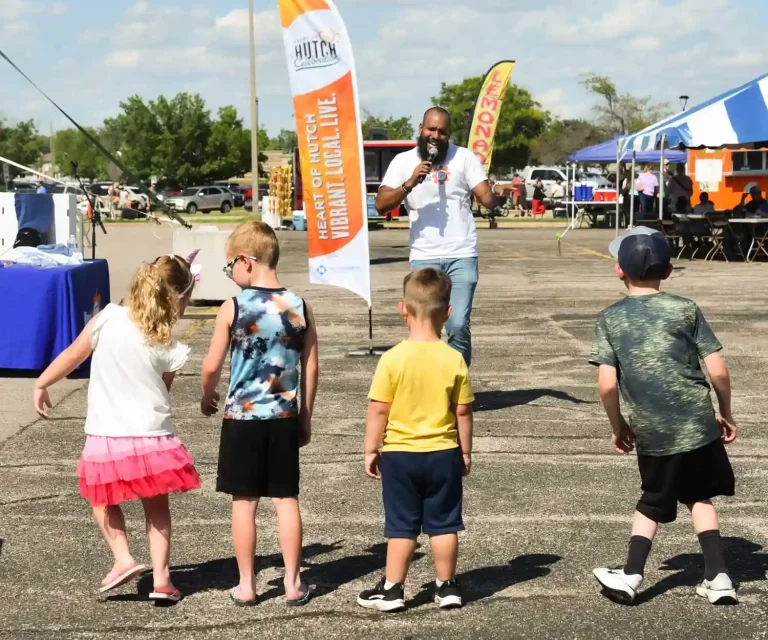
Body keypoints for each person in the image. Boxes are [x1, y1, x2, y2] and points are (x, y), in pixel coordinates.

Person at [32, 255, 200, 602]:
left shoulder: (107, 317)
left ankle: (123, 558)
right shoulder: (168, 343)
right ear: (178, 300)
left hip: (107, 434)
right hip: (153, 437)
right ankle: (163, 581)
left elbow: (72, 356)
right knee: (156, 509)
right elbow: (162, 389)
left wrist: (42, 382)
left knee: (101, 498)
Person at [589, 227, 738, 605]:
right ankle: (718, 576)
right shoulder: (686, 308)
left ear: (618, 271)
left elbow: (607, 385)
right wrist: (725, 412)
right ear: (669, 271)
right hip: (698, 424)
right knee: (700, 496)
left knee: (653, 501)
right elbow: (717, 370)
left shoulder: (610, 318)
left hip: (653, 430)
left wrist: (617, 424)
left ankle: (632, 574)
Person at [200, 221, 319, 606]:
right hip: (283, 419)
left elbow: (211, 366)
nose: (230, 273)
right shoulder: (300, 306)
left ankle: (247, 584)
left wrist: (207, 394)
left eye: (229, 265)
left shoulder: (233, 307)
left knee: (244, 501)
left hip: (242, 420)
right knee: (286, 499)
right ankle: (292, 582)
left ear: (246, 262)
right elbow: (311, 366)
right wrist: (305, 416)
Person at [357, 268, 474, 612]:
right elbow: (463, 411)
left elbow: (379, 410)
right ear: (448, 313)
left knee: (402, 525)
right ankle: (447, 585)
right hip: (443, 453)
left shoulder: (392, 359)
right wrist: (464, 451)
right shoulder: (454, 359)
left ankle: (393, 589)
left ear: (402, 310)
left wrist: (370, 448)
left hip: (399, 455)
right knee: (444, 523)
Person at [375, 107, 506, 367]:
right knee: (424, 326)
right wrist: (408, 184)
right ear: (420, 128)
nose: (436, 136)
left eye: (442, 132)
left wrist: (498, 193)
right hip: (424, 255)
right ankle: (429, 387)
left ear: (449, 134)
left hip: (462, 254)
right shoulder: (403, 162)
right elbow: (381, 205)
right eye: (431, 130)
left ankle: (458, 392)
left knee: (457, 325)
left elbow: (486, 198)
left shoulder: (464, 157)